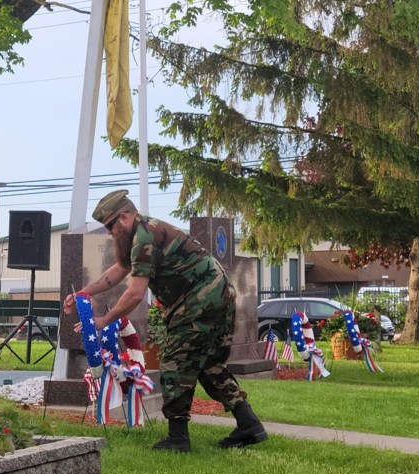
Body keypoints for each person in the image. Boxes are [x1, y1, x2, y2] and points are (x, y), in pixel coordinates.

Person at [62, 189, 268, 452]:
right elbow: (118, 270)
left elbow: (135, 293)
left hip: (199, 299)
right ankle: (249, 425)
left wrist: (104, 320)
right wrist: (84, 293)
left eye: (111, 226)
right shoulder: (143, 232)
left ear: (125, 216)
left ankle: (178, 437)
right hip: (218, 294)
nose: (110, 232)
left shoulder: (144, 236)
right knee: (207, 365)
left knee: (173, 363)